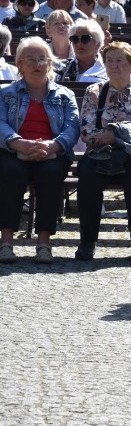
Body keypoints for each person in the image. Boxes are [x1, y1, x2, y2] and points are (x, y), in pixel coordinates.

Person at [75, 41, 131, 262]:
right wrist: (105, 139)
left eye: (120, 60)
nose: (114, 65)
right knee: (86, 175)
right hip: (101, 153)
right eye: (109, 60)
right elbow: (86, 130)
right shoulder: (94, 91)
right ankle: (87, 242)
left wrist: (116, 136)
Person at [0, 37, 79, 264]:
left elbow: (72, 127)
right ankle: (6, 242)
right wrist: (18, 142)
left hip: (52, 152)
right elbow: (0, 123)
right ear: (20, 65)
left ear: (50, 64)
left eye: (42, 59)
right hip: (13, 150)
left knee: (51, 174)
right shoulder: (5, 93)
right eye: (31, 59)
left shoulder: (64, 95)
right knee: (10, 172)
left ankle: (44, 243)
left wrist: (52, 145)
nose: (37, 64)